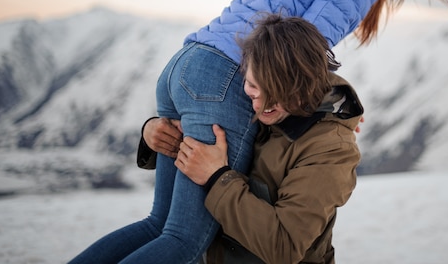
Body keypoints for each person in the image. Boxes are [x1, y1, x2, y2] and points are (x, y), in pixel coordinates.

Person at [69, 0, 448, 264]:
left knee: (159, 226)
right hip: (225, 76)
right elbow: (299, 49)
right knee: (183, 238)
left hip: (186, 64)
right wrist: (328, 113)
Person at [147, 13, 364, 263]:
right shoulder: (250, 103)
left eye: (277, 93)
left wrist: (217, 178)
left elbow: (284, 246)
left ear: (306, 86)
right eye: (252, 86)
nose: (261, 104)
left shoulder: (330, 149)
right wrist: (155, 134)